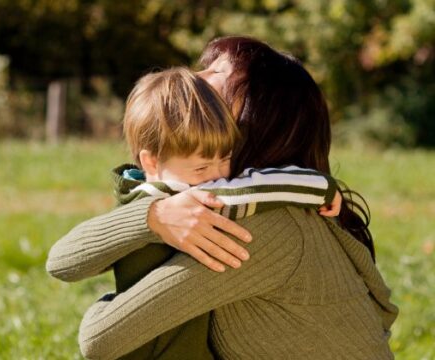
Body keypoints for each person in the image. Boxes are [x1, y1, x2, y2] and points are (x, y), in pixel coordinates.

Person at [47, 36, 398, 359]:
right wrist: (153, 217)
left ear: (250, 117)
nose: (192, 79)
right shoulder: (259, 205)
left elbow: (100, 339)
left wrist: (112, 299)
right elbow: (62, 261)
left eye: (213, 75)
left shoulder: (256, 228)